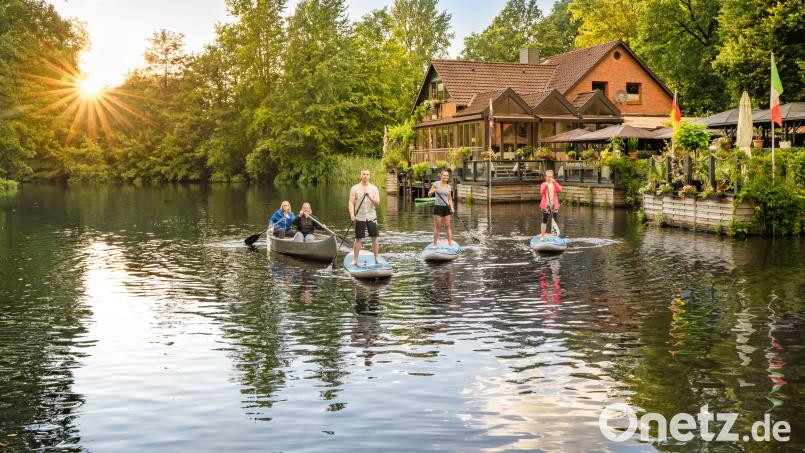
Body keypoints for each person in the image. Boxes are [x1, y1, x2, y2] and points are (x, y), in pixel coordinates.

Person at [349, 169, 381, 265]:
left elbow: (377, 202)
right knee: (358, 238)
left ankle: (376, 258)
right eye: (363, 174)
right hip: (359, 216)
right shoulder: (355, 188)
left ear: (369, 176)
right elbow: (351, 203)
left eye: (367, 174)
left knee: (374, 238)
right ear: (361, 175)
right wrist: (352, 214)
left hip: (371, 216)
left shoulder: (374, 188)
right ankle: (355, 259)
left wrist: (369, 196)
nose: (365, 176)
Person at [428, 170, 455, 247]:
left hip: (446, 208)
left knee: (448, 226)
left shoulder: (449, 186)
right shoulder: (436, 184)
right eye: (444, 175)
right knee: (438, 226)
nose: (446, 177)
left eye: (447, 175)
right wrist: (433, 191)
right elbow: (429, 194)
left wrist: (452, 208)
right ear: (441, 176)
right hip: (438, 207)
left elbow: (449, 198)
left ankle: (450, 244)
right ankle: (435, 244)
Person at [539, 170, 562, 240]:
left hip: (554, 205)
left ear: (552, 177)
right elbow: (541, 192)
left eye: (550, 176)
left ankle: (554, 236)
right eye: (547, 176)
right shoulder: (543, 184)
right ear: (546, 177)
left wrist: (555, 182)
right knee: (544, 221)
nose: (549, 178)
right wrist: (545, 186)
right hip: (546, 206)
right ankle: (542, 236)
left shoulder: (554, 184)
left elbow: (559, 189)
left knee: (554, 221)